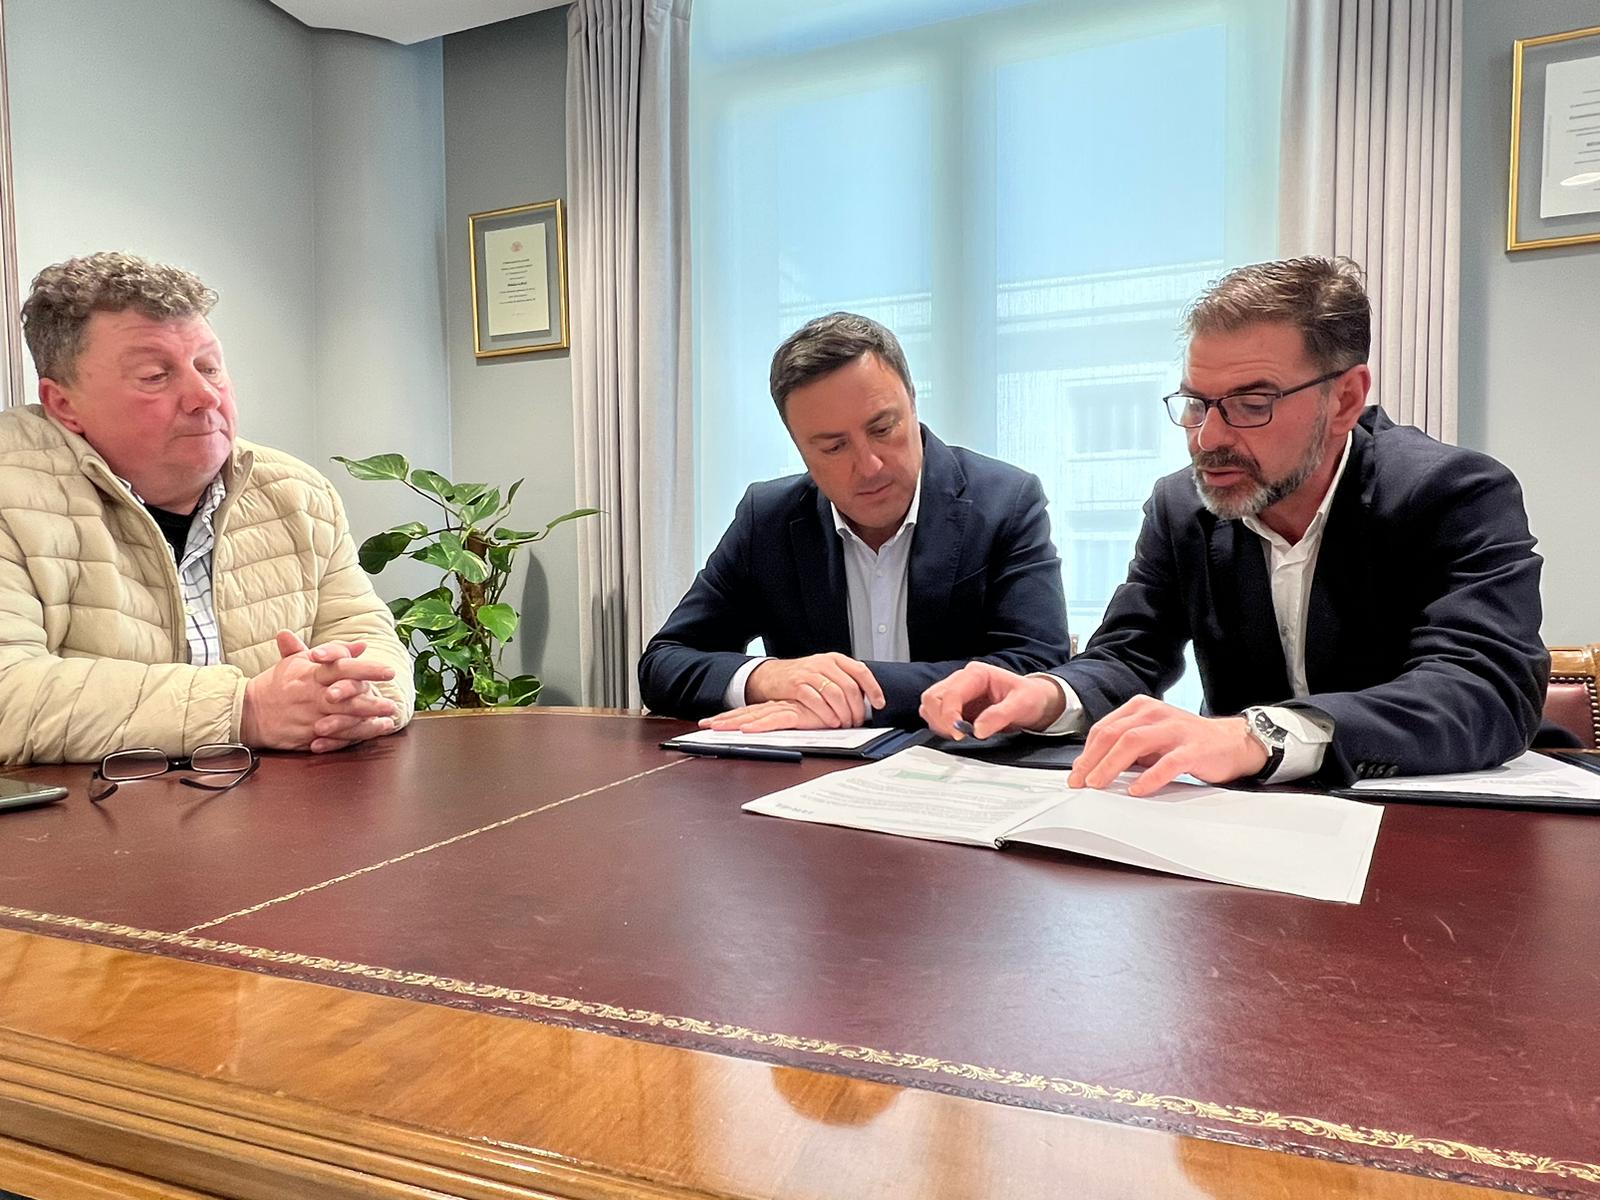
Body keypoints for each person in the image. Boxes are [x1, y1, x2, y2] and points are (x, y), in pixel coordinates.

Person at [921, 256, 1548, 793]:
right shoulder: (1181, 508)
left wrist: (1264, 733)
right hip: (1245, 834)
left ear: (1347, 399)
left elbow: (1484, 689)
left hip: (1425, 832)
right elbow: (1129, 655)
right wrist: (1053, 695)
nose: (1209, 439)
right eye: (1196, 403)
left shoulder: (1454, 493)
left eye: (1252, 404)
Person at [0, 251, 414, 765]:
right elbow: (8, 696)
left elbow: (363, 635)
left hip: (286, 819)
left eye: (210, 368)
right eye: (155, 375)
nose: (204, 396)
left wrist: (355, 700)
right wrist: (247, 710)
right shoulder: (11, 496)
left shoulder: (298, 493)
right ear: (64, 404)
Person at [639, 312, 1071, 730]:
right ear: (799, 448)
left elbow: (1036, 669)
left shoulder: (1006, 501)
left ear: (913, 400)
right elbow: (664, 661)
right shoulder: (768, 518)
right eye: (833, 447)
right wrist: (766, 678)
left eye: (883, 429)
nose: (869, 466)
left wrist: (853, 695)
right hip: (808, 782)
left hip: (965, 772)